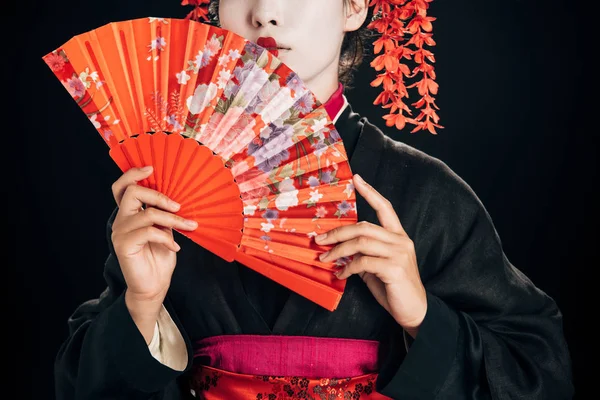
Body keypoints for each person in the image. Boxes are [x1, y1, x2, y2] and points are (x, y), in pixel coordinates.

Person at [53, 0, 574, 399]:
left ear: (354, 7)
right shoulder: (164, 188)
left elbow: (541, 374)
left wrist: (422, 315)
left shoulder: (426, 192)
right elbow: (79, 386)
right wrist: (140, 306)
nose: (265, 14)